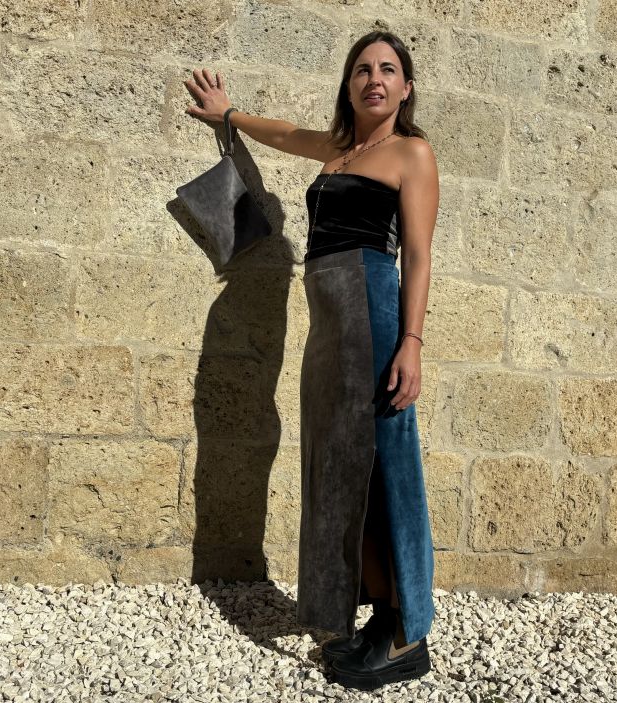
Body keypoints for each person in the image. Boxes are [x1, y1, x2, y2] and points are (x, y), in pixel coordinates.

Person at [183, 30, 439, 691]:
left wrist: (411, 343)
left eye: (388, 70)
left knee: (385, 465)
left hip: (374, 311)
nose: (374, 78)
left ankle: (406, 629)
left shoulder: (411, 152)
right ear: (349, 86)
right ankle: (359, 612)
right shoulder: (340, 150)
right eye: (362, 69)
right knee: (338, 466)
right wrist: (229, 115)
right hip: (329, 324)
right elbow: (287, 134)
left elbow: (418, 255)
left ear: (405, 88)